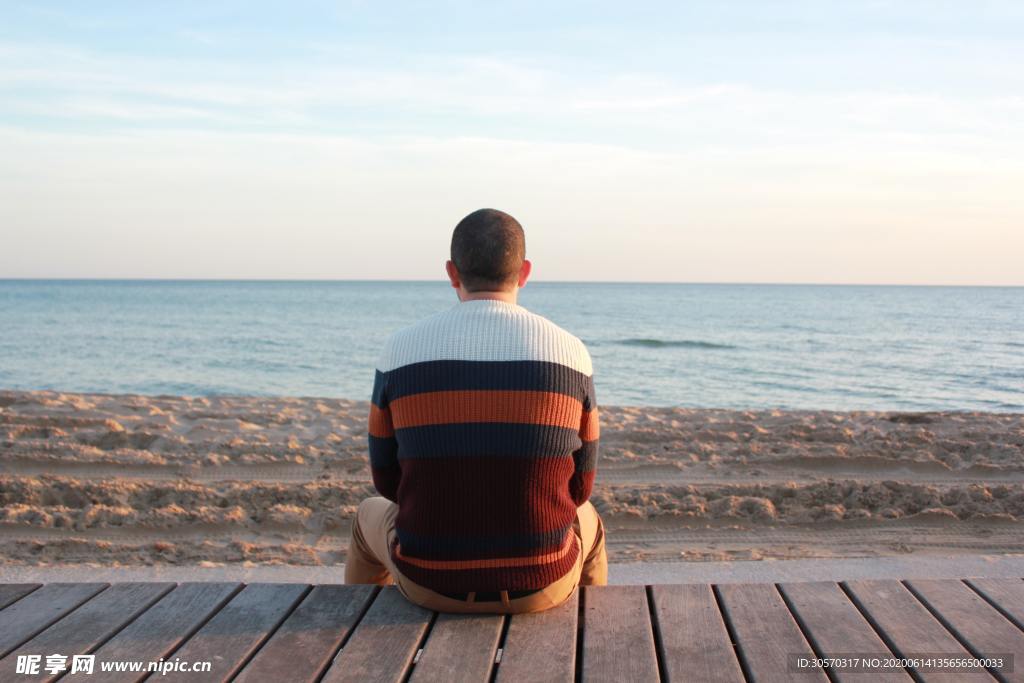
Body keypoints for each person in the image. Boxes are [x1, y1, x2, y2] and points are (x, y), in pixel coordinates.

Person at [344, 208, 608, 613]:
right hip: (540, 585)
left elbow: (387, 481)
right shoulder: (570, 352)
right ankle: (589, 628)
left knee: (367, 516)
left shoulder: (399, 350)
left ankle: (357, 625)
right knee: (590, 518)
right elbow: (579, 488)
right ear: (524, 272)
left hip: (428, 581)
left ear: (452, 272)